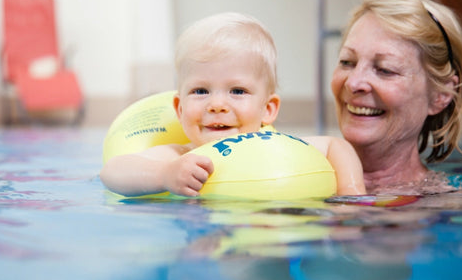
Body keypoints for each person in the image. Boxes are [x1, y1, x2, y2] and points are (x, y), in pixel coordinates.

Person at [101, 12, 366, 197]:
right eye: (200, 91)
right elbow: (112, 171)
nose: (217, 104)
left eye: (237, 91)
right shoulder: (181, 156)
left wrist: (351, 197)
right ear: (180, 109)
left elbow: (336, 146)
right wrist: (164, 175)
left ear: (268, 109)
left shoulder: (276, 148)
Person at [331, 0, 462, 194]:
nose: (354, 83)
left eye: (385, 70)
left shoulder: (451, 206)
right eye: (347, 62)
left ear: (440, 95)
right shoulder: (290, 177)